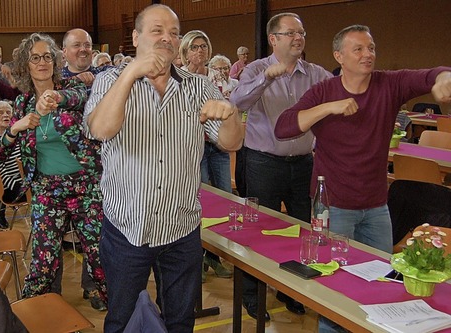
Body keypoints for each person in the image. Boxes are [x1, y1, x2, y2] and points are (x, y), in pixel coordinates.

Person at [274, 25, 451, 332]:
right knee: (333, 288)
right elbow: (284, 127)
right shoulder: (323, 92)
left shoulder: (389, 84)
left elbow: (431, 74)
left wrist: (444, 77)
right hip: (333, 208)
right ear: (338, 56)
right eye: (358, 49)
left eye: (371, 48)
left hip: (376, 206)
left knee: (382, 281)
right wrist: (329, 108)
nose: (367, 55)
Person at [84, 4, 243, 332]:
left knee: (181, 321)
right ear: (136, 36)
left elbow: (231, 143)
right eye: (157, 30)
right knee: (121, 320)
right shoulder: (110, 80)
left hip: (181, 229)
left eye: (174, 32)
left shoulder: (198, 87)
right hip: (128, 228)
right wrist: (130, 73)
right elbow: (99, 129)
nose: (167, 38)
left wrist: (229, 114)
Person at [230, 12, 332, 320]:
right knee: (258, 232)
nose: (299, 38)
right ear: (273, 39)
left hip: (303, 165)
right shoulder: (255, 69)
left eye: (301, 33)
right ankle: (252, 295)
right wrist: (267, 78)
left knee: (302, 230)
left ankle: (292, 292)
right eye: (291, 33)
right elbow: (237, 102)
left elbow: (342, 91)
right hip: (263, 163)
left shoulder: (315, 73)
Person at [0, 33, 107, 304]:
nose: (42, 62)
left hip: (86, 187)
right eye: (35, 57)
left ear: (55, 61)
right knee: (42, 264)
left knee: (100, 257)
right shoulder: (20, 104)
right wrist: (15, 128)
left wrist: (55, 97)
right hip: (46, 190)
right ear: (25, 64)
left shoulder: (74, 88)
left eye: (47, 56)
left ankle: (120, 310)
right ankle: (30, 312)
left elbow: (77, 97)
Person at [55, 27, 110, 311]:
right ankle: (50, 296)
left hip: (95, 173)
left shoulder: (107, 77)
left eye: (87, 45)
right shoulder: (53, 80)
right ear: (64, 51)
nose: (83, 49)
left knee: (96, 236)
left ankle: (94, 288)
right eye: (76, 45)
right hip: (57, 174)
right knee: (52, 240)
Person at [179, 30, 233, 281]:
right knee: (199, 199)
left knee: (224, 199)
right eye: (194, 47)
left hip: (218, 146)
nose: (199, 51)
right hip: (195, 146)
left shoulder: (219, 78)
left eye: (203, 46)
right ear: (185, 51)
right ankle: (198, 257)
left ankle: (215, 257)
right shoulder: (181, 78)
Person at [0, 100, 25, 229]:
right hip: (7, 186)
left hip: (22, 181)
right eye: (0, 113)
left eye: (8, 112)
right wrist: (19, 185)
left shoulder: (18, 136)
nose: (5, 115)